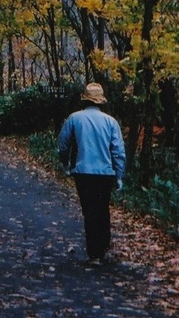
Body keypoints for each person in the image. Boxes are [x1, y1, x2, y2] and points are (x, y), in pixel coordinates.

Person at [57, 82, 126, 266]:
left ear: (84, 99)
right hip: (105, 173)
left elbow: (63, 145)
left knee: (89, 211)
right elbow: (118, 151)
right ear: (101, 101)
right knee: (103, 210)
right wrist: (119, 175)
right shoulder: (111, 122)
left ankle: (94, 254)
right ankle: (103, 250)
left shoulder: (74, 118)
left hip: (83, 172)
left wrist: (66, 165)